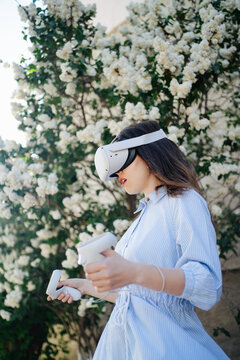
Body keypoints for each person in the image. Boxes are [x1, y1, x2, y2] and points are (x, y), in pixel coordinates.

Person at [47, 120, 229, 359]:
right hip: (123, 347)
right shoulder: (144, 216)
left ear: (148, 152)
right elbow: (136, 297)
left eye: (121, 160)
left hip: (163, 347)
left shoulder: (184, 201)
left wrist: (133, 272)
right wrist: (83, 286)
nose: (117, 172)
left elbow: (207, 284)